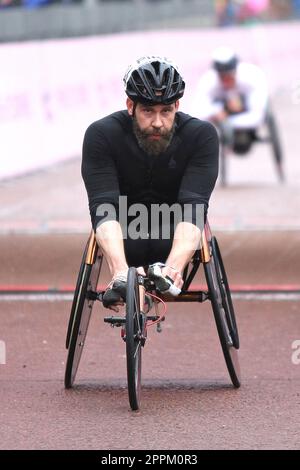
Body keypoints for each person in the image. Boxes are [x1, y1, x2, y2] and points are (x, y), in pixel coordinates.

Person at [81, 56, 219, 311]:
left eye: (166, 111)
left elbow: (194, 207)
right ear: (130, 105)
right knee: (104, 210)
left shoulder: (201, 136)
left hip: (174, 237)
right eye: (148, 111)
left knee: (193, 211)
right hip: (122, 235)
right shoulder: (101, 135)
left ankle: (164, 276)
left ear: (177, 105)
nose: (157, 122)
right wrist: (121, 272)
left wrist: (174, 270)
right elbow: (103, 206)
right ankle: (123, 276)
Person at [192, 46, 269, 155]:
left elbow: (257, 117)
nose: (226, 81)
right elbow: (196, 113)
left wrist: (228, 122)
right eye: (222, 77)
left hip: (244, 118)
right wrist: (217, 111)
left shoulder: (253, 77)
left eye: (230, 76)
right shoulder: (208, 81)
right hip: (224, 115)